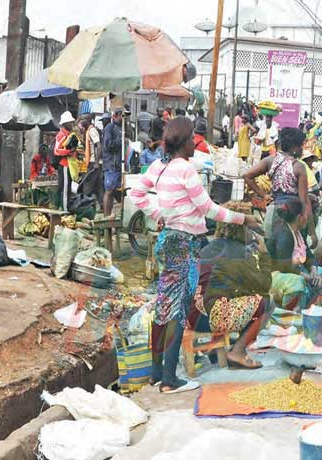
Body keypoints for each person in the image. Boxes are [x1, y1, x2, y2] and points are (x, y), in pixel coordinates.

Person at [129, 117, 259, 394]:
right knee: (178, 309)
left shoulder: (159, 166)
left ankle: (155, 373)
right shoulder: (185, 170)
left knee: (163, 306)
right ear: (183, 142)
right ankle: (169, 380)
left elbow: (137, 193)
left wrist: (157, 215)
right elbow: (209, 209)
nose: (194, 144)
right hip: (185, 244)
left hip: (167, 241)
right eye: (191, 139)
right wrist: (243, 219)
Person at [189, 214, 271, 370]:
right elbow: (264, 285)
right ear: (243, 229)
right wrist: (264, 255)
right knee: (265, 302)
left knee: (228, 297)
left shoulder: (210, 247)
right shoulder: (239, 252)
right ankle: (237, 352)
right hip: (208, 319)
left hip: (191, 315)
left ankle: (215, 347)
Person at [244, 127, 312, 237]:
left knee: (271, 250)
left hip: (272, 212)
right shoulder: (299, 167)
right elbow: (304, 200)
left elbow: (247, 175)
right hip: (292, 216)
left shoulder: (270, 160)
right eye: (301, 146)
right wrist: (311, 231)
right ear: (294, 147)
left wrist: (264, 195)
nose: (302, 149)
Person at [53, 111, 81, 211]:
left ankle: (61, 207)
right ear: (65, 124)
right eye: (70, 122)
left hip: (70, 164)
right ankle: (65, 211)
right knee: (64, 189)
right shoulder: (62, 135)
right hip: (64, 164)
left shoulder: (70, 134)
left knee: (67, 187)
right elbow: (56, 150)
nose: (72, 124)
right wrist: (68, 152)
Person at [101, 107, 125, 216]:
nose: (123, 118)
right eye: (122, 116)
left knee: (117, 191)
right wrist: (120, 141)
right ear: (116, 116)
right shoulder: (110, 128)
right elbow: (107, 144)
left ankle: (115, 215)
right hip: (111, 164)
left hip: (120, 164)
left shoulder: (123, 128)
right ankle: (106, 217)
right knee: (109, 191)